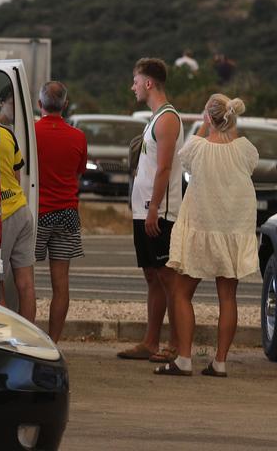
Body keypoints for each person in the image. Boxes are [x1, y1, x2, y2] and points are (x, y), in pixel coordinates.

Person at [156, 93, 258, 377]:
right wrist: (227, 127)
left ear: (208, 118)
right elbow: (245, 161)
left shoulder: (197, 148)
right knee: (228, 296)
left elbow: (186, 156)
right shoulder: (245, 149)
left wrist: (204, 127)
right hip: (233, 228)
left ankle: (184, 358)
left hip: (202, 228)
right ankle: (220, 361)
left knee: (181, 292)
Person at [116, 58, 185, 363]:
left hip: (159, 211)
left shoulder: (168, 118)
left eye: (135, 80)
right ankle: (151, 342)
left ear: (148, 83)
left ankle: (176, 345)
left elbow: (165, 167)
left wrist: (155, 206)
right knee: (152, 276)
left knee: (168, 278)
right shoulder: (155, 118)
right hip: (144, 210)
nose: (132, 86)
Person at [33, 80, 87, 341]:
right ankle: (53, 341)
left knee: (25, 280)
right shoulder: (78, 136)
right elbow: (78, 172)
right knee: (61, 283)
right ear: (65, 105)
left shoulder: (31, 133)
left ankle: (24, 342)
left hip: (37, 213)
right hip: (67, 213)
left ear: (39, 104)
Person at [0, 94, 36, 322]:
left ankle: (3, 343)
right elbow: (17, 177)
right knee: (26, 284)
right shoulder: (7, 134)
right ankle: (29, 342)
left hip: (2, 215)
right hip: (21, 210)